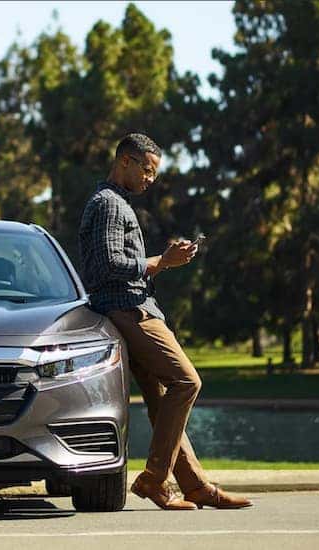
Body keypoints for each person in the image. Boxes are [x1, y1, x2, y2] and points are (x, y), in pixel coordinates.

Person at [77, 133, 252, 511]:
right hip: (130, 311)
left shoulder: (110, 201)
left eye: (154, 173)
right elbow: (108, 265)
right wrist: (162, 261)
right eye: (147, 170)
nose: (150, 179)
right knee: (187, 381)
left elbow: (111, 265)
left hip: (126, 308)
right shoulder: (109, 204)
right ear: (125, 161)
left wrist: (163, 262)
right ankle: (154, 479)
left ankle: (196, 486)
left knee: (161, 398)